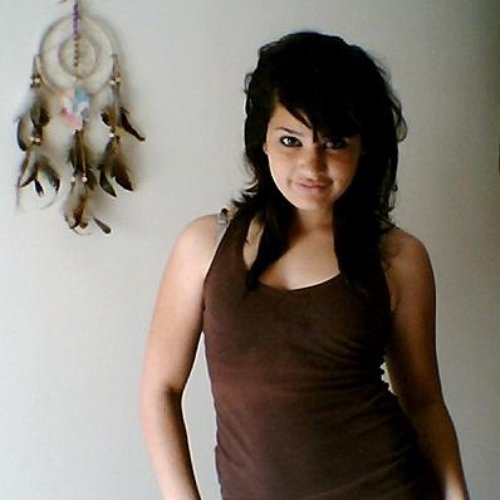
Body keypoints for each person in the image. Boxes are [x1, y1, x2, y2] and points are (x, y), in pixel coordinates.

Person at [140, 31, 469, 500]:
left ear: (363, 147)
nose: (312, 165)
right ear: (263, 142)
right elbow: (160, 389)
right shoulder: (205, 246)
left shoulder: (398, 257)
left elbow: (424, 403)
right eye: (291, 140)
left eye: (334, 142)